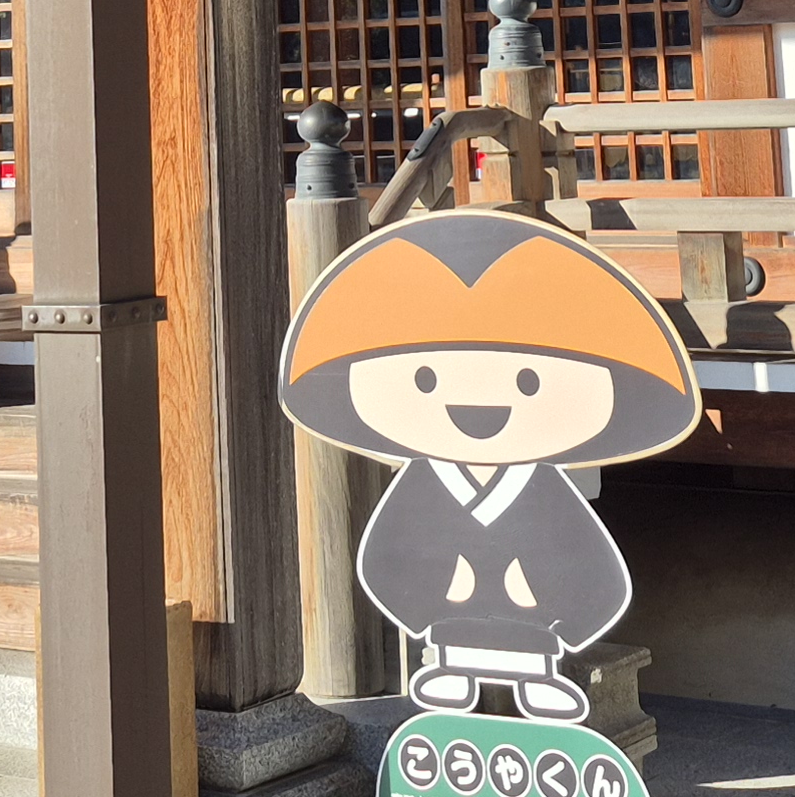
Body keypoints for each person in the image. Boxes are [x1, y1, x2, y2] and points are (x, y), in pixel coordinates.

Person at [278, 208, 702, 722]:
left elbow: (591, 568)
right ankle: (453, 671)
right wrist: (429, 603)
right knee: (456, 644)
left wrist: (563, 616)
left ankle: (539, 679)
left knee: (532, 642)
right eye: (426, 378)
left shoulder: (543, 489)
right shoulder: (425, 485)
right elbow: (388, 558)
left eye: (528, 381)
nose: (476, 405)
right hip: (448, 631)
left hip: (539, 632)